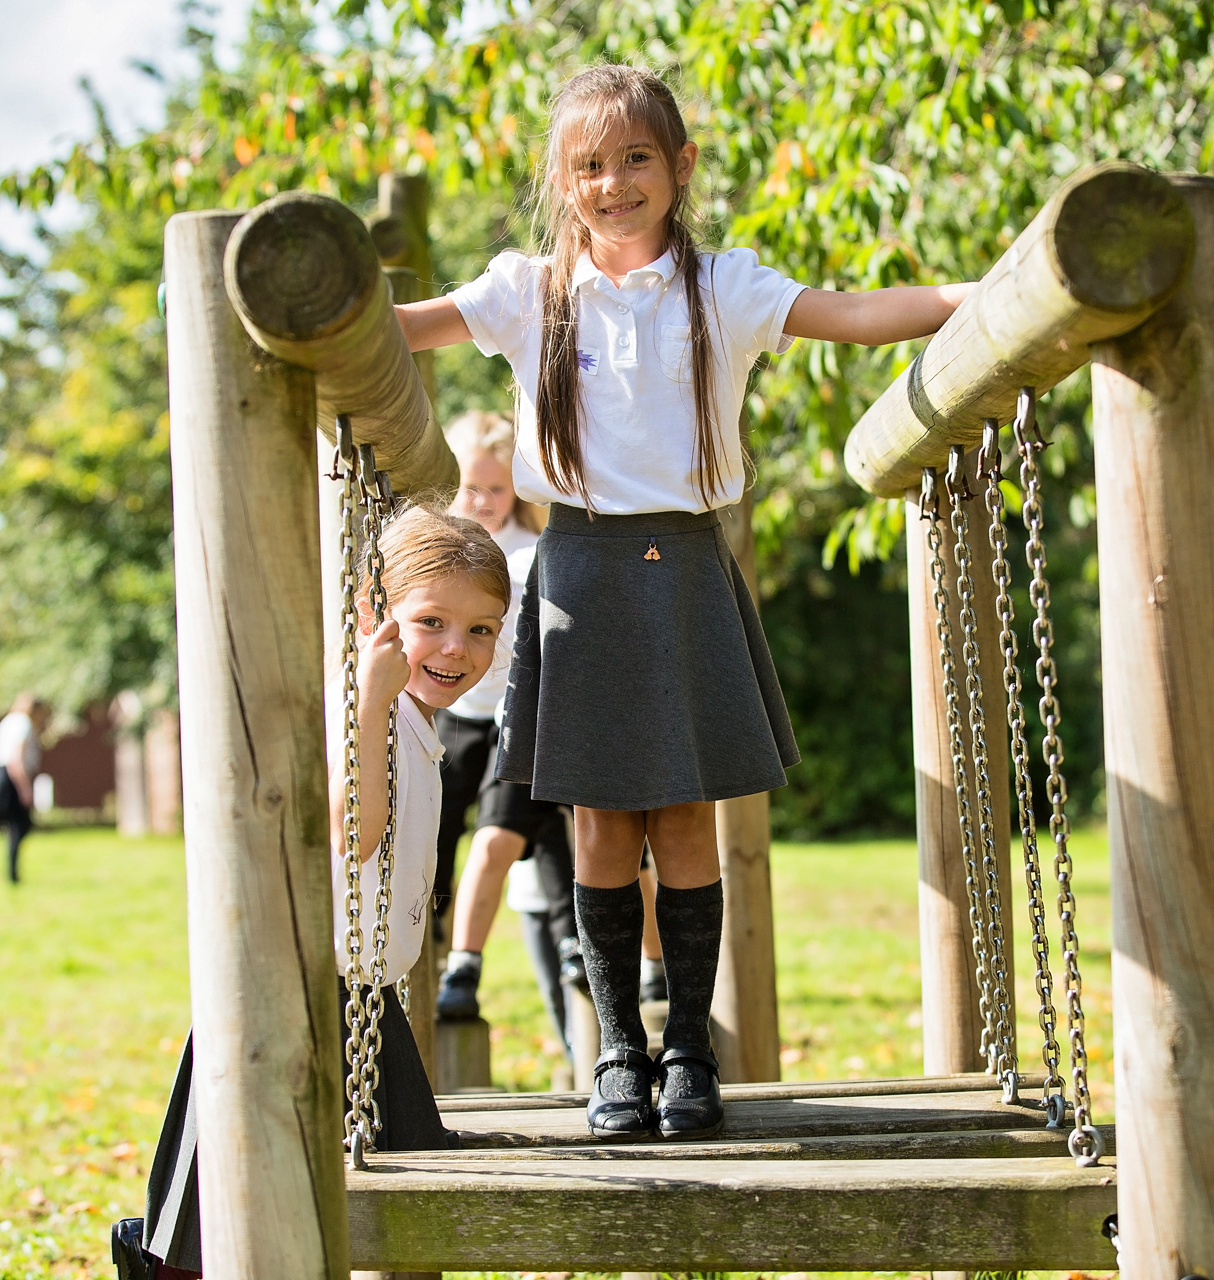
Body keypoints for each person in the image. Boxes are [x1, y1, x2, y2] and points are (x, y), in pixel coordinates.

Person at [396, 64, 973, 1140]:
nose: (613, 183)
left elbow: (850, 315)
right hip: (576, 576)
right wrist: (285, 316)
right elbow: (404, 326)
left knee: (686, 817)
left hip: (687, 569)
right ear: (562, 182)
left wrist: (976, 300)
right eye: (589, 166)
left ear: (679, 167)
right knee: (602, 822)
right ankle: (619, 1047)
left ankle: (689, 1048)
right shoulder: (526, 291)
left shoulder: (725, 289)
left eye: (635, 159)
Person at [134, 506, 509, 1278]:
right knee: (214, 1210)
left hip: (362, 995)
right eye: (431, 620)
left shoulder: (412, 715)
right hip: (303, 996)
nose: (455, 648)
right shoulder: (364, 707)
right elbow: (355, 833)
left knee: (410, 1180)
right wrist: (370, 705)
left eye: (481, 629)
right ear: (375, 615)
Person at [431, 410, 583, 1026]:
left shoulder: (529, 553)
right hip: (452, 713)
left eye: (497, 489)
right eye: (471, 487)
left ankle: (473, 963)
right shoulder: (442, 545)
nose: (484, 501)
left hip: (512, 717)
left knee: (505, 835)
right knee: (435, 831)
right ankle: (431, 930)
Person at [0, 694, 48, 884]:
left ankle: (12, 872)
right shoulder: (23, 723)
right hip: (12, 778)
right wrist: (25, 789)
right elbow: (16, 760)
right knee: (18, 825)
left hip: (0, 775)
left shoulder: (10, 720)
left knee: (16, 827)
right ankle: (13, 874)